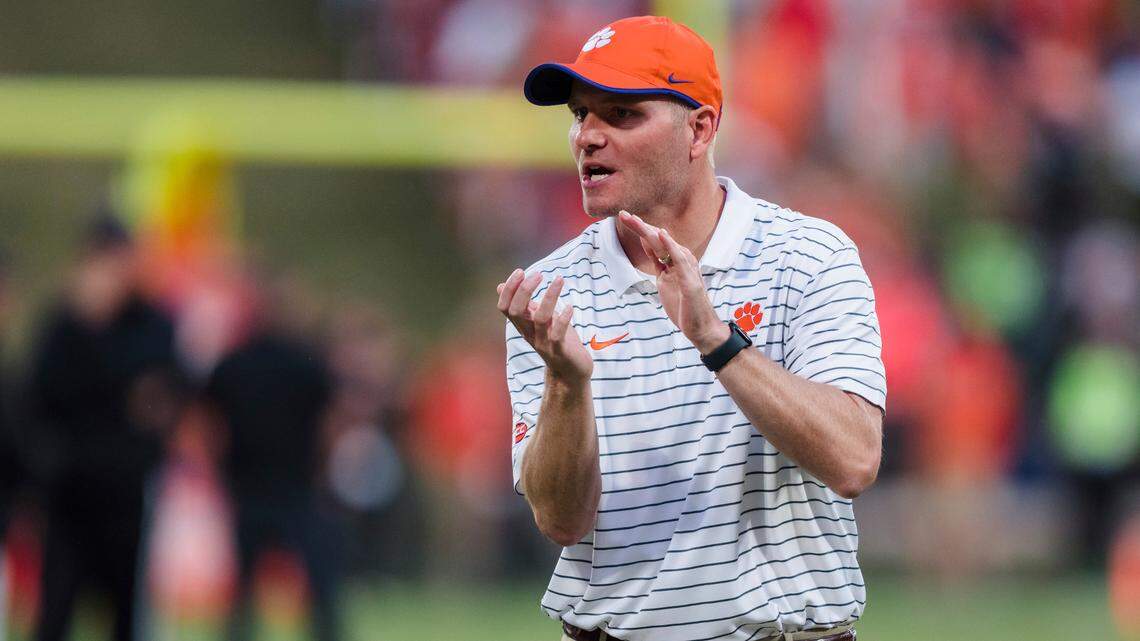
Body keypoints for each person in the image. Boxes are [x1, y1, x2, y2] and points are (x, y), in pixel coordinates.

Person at [498, 16, 886, 641]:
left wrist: (717, 340)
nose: (587, 138)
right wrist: (567, 385)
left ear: (700, 128)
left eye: (621, 115)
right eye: (580, 114)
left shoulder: (809, 255)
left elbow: (853, 459)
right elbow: (561, 520)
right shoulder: (549, 293)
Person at [27, 217, 185, 641]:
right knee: (56, 608)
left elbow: (165, 393)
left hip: (127, 493)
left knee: (127, 612)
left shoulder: (153, 324)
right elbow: (41, 397)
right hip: (70, 494)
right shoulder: (63, 327)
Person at [201, 273, 340, 641]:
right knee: (318, 583)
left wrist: (222, 469)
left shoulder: (233, 364)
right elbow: (329, 423)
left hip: (248, 487)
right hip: (296, 488)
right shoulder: (305, 364)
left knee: (243, 591)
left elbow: (209, 422)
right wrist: (323, 472)